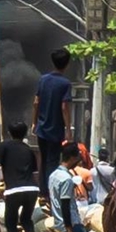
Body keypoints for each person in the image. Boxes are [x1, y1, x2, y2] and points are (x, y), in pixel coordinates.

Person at [0, 122, 39, 232]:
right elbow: (35, 174)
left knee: (10, 223)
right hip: (32, 189)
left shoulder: (4, 146)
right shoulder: (29, 150)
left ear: (9, 132)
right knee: (26, 219)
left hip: (14, 190)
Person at [32, 48, 73, 203]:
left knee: (43, 159)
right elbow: (64, 107)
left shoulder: (43, 79)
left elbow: (36, 102)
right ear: (66, 64)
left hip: (42, 128)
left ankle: (42, 192)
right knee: (52, 161)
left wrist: (34, 122)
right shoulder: (65, 83)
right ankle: (50, 193)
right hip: (55, 130)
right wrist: (68, 129)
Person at [49, 142, 91, 232]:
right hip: (72, 224)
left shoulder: (53, 175)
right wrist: (70, 231)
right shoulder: (66, 179)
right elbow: (65, 205)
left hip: (59, 223)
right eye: (78, 157)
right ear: (72, 157)